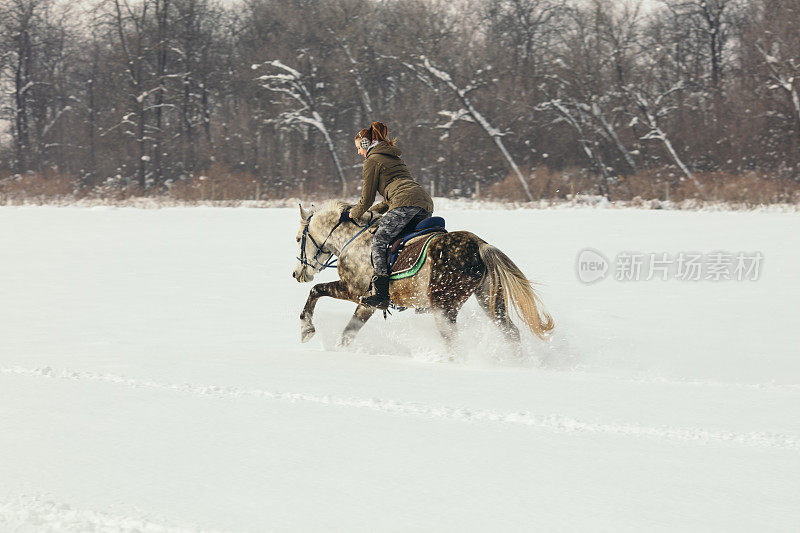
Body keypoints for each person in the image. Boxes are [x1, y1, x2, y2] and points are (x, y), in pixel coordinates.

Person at [341, 121, 434, 309]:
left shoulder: (372, 161)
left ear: (366, 145)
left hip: (404, 203)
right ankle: (405, 286)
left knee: (379, 241)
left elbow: (366, 199)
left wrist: (352, 214)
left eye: (359, 147)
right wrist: (370, 212)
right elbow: (389, 199)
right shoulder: (394, 158)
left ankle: (382, 293)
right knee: (402, 242)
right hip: (423, 202)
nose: (359, 152)